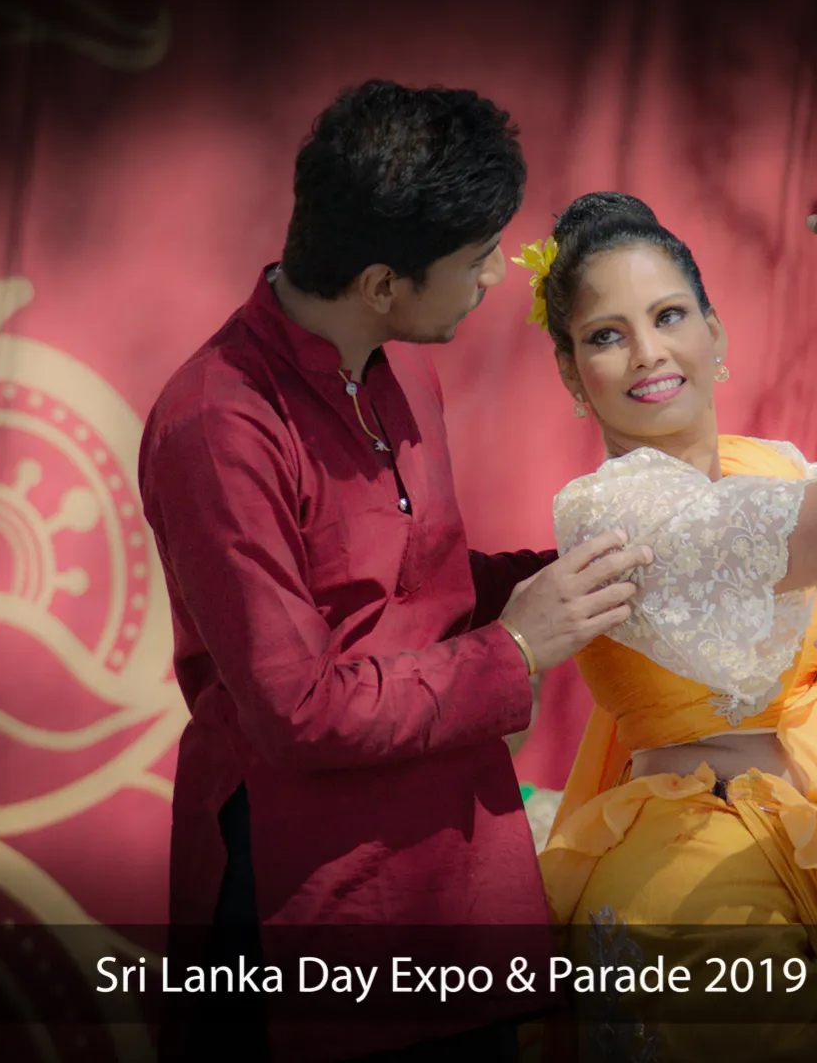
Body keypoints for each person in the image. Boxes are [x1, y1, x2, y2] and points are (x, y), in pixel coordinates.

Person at [139, 81, 651, 1062]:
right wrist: (517, 649)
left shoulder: (403, 364)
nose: (496, 274)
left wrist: (588, 572)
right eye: (475, 257)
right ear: (381, 283)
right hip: (313, 902)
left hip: (453, 869)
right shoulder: (219, 424)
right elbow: (297, 709)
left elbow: (419, 590)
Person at [526, 153, 817, 1062]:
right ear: (571, 372)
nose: (648, 351)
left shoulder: (775, 474)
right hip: (694, 887)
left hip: (805, 867)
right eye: (606, 335)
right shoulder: (615, 511)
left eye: (669, 316)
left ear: (716, 333)